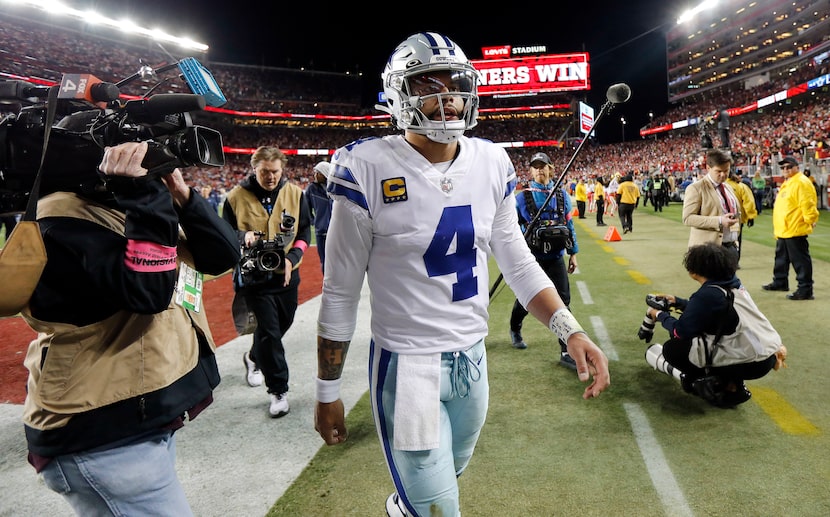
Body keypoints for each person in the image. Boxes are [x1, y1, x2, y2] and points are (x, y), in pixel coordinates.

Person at [313, 32, 610, 517]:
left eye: (454, 84)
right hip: (409, 367)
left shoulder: (491, 160)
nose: (447, 97)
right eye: (429, 84)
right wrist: (328, 392)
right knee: (438, 509)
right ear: (399, 94)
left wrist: (568, 329)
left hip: (473, 360)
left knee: (446, 479)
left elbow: (514, 257)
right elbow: (340, 291)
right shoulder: (365, 165)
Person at [21, 141, 240, 515]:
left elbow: (223, 255)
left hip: (128, 420)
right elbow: (150, 291)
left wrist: (182, 195)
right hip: (99, 435)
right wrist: (142, 194)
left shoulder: (112, 209)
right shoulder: (59, 220)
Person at [222, 145, 312, 417]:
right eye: (264, 172)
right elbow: (224, 234)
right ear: (254, 169)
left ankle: (253, 357)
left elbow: (305, 231)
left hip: (286, 274)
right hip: (255, 278)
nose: (270, 177)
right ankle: (278, 390)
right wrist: (242, 237)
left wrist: (292, 257)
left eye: (274, 172)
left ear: (283, 170)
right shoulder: (235, 197)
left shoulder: (296, 194)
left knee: (281, 324)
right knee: (270, 334)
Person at [640, 243, 785, 408]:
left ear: (694, 271)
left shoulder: (707, 295)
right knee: (715, 341)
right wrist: (679, 302)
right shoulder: (734, 284)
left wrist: (659, 315)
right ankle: (732, 384)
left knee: (674, 348)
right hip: (765, 356)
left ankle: (711, 382)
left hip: (749, 362)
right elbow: (716, 312)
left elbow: (681, 332)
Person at [509, 151, 580, 371]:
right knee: (527, 300)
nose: (540, 169)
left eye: (544, 165)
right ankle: (515, 326)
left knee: (564, 303)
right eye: (535, 166)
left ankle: (566, 350)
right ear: (530, 171)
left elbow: (569, 226)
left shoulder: (562, 195)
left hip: (556, 257)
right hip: (531, 258)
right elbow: (510, 229)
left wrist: (573, 253)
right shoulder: (521, 197)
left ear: (551, 169)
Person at [761, 156, 819, 300]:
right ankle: (780, 281)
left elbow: (808, 204)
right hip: (785, 229)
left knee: (800, 260)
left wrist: (810, 220)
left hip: (794, 228)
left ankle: (805, 289)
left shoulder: (800, 182)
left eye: (788, 167)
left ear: (796, 167)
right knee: (781, 258)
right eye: (783, 167)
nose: (785, 170)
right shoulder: (791, 182)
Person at [681, 149, 742, 262]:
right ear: (708, 168)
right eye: (718, 171)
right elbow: (688, 218)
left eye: (726, 170)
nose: (723, 174)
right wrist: (719, 221)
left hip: (731, 246)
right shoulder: (696, 188)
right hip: (709, 250)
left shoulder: (727, 187)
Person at [306, 160, 333, 273]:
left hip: (337, 231)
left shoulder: (336, 188)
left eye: (318, 172)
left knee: (338, 260)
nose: (315, 175)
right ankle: (327, 286)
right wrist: (314, 221)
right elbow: (306, 208)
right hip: (321, 232)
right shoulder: (311, 189)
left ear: (325, 173)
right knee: (324, 261)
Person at [725, 168, 757, 261]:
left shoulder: (721, 185)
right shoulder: (741, 186)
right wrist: (751, 216)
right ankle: (735, 261)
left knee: (722, 240)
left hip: (721, 218)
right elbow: (748, 202)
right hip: (736, 218)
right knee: (735, 240)